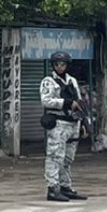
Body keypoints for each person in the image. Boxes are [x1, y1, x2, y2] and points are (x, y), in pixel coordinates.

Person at [39, 50, 88, 202]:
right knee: (55, 157)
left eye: (63, 64)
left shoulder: (72, 81)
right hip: (58, 123)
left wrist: (83, 124)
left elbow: (79, 103)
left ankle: (65, 186)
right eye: (57, 64)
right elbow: (46, 101)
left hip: (73, 123)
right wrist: (66, 103)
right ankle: (53, 188)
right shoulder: (48, 81)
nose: (60, 67)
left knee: (68, 158)